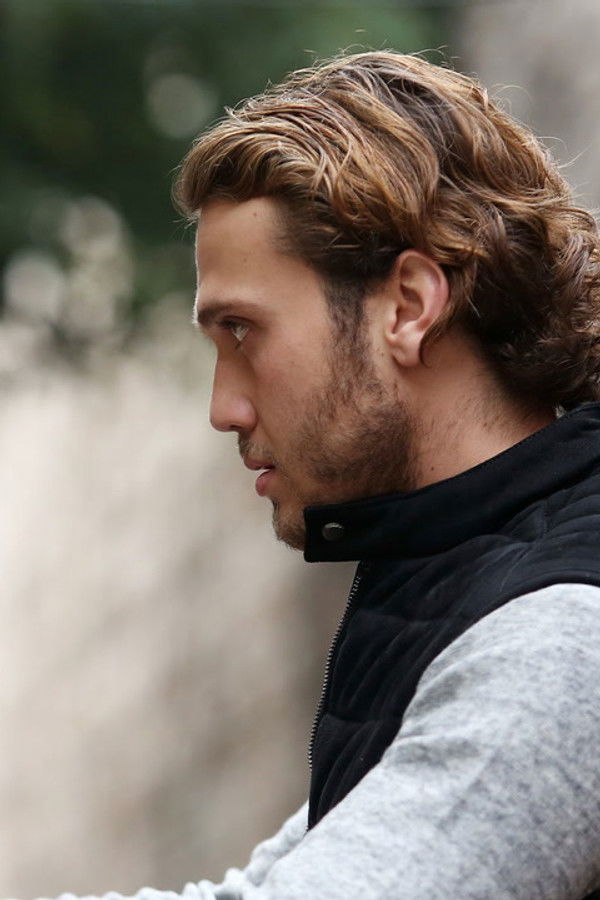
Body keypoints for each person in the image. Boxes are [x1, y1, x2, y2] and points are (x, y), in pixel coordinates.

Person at [23, 50, 600, 900]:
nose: (224, 409)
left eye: (243, 332)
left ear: (409, 306)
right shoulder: (453, 591)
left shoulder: (562, 636)